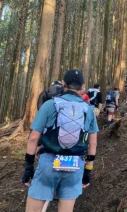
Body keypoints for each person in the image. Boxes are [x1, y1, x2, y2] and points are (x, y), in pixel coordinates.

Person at [22, 69, 99, 212]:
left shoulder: (50, 104)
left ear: (63, 84)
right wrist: (88, 172)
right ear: (83, 87)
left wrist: (28, 167)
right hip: (75, 165)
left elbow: (33, 138)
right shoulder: (89, 110)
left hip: (49, 162)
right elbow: (93, 144)